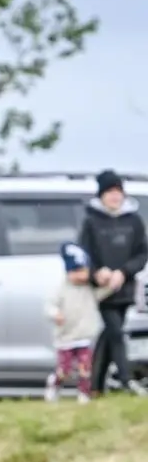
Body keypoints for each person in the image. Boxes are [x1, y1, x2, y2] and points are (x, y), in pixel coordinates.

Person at [78, 170, 148, 396]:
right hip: (102, 291)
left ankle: (95, 386)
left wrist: (123, 272)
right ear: (101, 195)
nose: (115, 196)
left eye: (118, 191)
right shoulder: (91, 220)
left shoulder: (134, 220)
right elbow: (84, 253)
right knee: (116, 332)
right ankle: (126, 380)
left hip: (125, 288)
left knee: (109, 335)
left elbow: (141, 253)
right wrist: (97, 272)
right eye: (110, 192)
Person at [43, 242, 111, 404]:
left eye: (83, 271)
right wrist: (55, 314)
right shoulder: (61, 289)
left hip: (84, 335)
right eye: (76, 271)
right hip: (66, 336)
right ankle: (55, 383)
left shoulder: (88, 289)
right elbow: (49, 306)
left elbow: (102, 293)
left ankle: (83, 393)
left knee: (85, 367)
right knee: (65, 370)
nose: (81, 276)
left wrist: (110, 282)